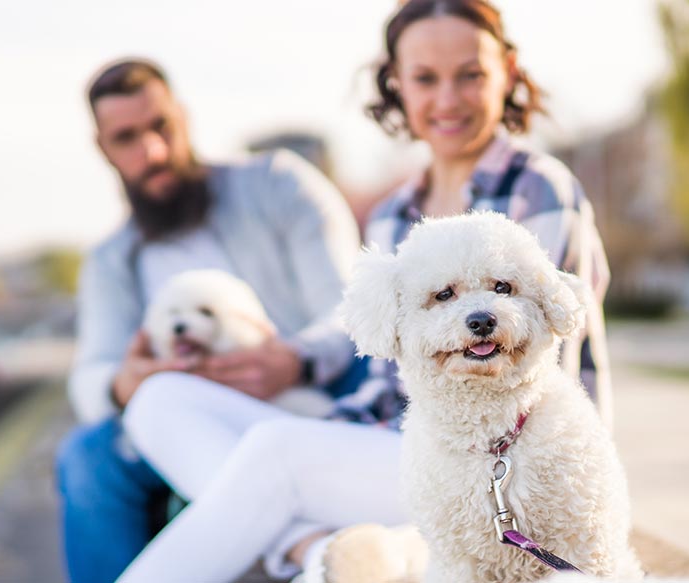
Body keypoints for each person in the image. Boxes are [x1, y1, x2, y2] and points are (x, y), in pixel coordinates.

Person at [113, 1, 614, 582]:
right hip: (395, 440)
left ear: (506, 70)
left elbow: (537, 360)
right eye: (425, 78)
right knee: (161, 402)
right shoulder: (391, 214)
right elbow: (377, 361)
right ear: (396, 83)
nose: (447, 99)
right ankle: (323, 550)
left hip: (508, 461)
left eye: (470, 75)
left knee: (274, 455)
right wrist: (297, 366)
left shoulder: (538, 186)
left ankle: (323, 557)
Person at [54, 59, 364, 583]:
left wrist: (295, 361)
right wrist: (125, 382)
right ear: (105, 150)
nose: (150, 151)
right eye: (127, 138)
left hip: (313, 387)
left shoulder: (277, 184)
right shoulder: (111, 261)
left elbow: (352, 308)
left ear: (184, 119)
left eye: (160, 127)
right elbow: (90, 377)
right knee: (85, 459)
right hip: (186, 417)